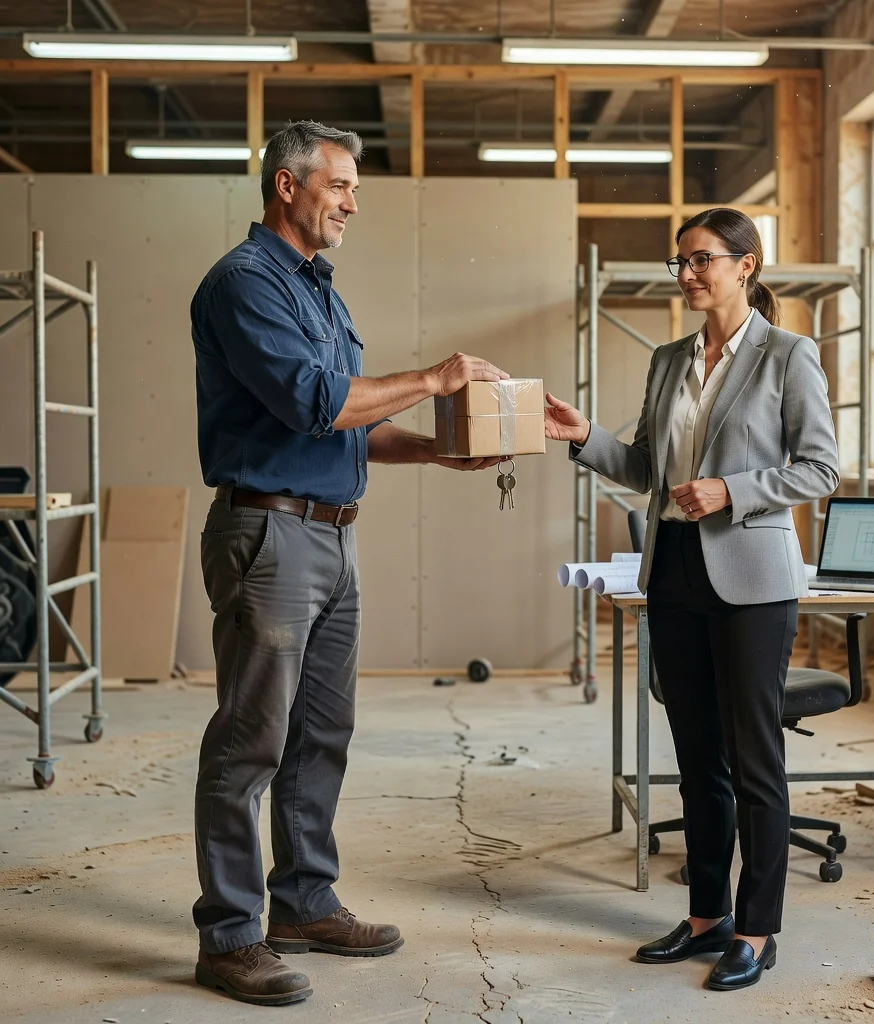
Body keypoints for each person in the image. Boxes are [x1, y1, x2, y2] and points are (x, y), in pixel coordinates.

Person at [189, 120, 507, 1007]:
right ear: (288, 186)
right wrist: (438, 379)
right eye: (340, 185)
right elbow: (311, 401)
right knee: (251, 739)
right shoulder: (244, 285)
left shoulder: (319, 292)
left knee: (320, 731)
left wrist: (437, 452)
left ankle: (301, 902)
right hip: (270, 535)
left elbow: (353, 420)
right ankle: (229, 936)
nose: (353, 202)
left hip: (332, 533)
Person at [545, 208, 839, 991]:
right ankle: (707, 915)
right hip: (672, 569)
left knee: (754, 760)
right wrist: (581, 437)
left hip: (752, 581)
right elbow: (644, 465)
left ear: (747, 265)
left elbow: (818, 470)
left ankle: (758, 928)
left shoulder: (788, 355)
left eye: (701, 260)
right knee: (695, 759)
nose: (686, 275)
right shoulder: (670, 358)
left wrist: (732, 490)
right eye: (679, 263)